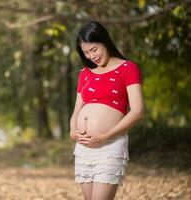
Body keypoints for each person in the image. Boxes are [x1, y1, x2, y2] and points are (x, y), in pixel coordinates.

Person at [70, 21, 145, 200]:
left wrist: (105, 136)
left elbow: (138, 111)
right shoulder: (85, 73)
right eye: (86, 53)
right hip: (84, 147)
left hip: (110, 145)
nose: (91, 56)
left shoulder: (128, 68)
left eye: (94, 49)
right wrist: (73, 130)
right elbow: (76, 111)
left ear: (105, 41)